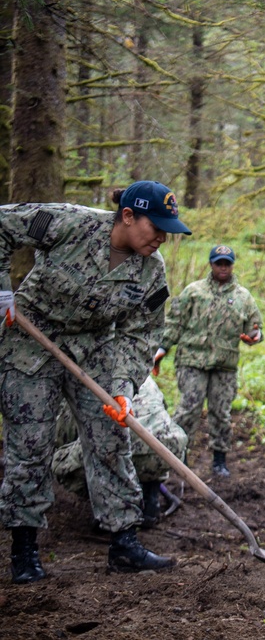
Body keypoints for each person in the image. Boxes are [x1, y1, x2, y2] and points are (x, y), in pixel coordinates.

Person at [0, 180, 190, 584]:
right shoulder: (68, 224)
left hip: (94, 350)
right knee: (30, 445)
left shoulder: (151, 273)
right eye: (154, 226)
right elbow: (2, 225)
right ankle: (24, 548)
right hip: (32, 340)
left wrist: (122, 387)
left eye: (166, 231)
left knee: (110, 440)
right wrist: (2, 292)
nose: (160, 238)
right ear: (127, 216)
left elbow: (142, 335)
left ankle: (124, 542)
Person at [154, 244, 263, 478]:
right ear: (211, 264)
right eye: (218, 263)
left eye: (227, 263)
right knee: (188, 409)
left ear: (232, 265)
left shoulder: (243, 297)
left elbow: (255, 327)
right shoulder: (194, 291)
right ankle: (177, 456)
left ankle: (219, 461)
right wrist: (162, 348)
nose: (223, 268)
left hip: (224, 365)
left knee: (221, 412)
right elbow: (174, 322)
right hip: (192, 360)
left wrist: (254, 337)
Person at [52, 376, 188, 528]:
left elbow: (61, 436)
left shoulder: (81, 383)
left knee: (60, 461)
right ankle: (151, 500)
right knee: (154, 436)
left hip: (121, 450)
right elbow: (161, 413)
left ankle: (109, 511)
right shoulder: (139, 372)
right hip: (170, 448)